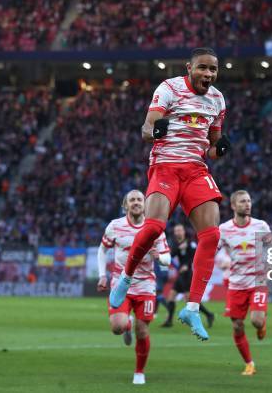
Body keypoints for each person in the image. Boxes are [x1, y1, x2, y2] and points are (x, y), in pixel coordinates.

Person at [109, 47, 231, 341]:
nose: (208, 74)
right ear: (189, 68)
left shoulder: (217, 100)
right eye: (203, 68)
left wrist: (220, 149)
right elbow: (146, 130)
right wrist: (156, 132)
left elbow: (211, 148)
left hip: (195, 170)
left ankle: (192, 307)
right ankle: (125, 278)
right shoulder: (169, 88)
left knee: (211, 236)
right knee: (153, 228)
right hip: (165, 166)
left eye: (213, 70)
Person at [97, 190, 171, 385]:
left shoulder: (155, 228)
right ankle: (126, 324)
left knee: (143, 331)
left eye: (140, 199)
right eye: (133, 200)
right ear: (126, 205)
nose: (137, 202)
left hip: (146, 286)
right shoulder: (115, 226)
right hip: (121, 284)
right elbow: (102, 249)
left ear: (145, 205)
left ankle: (139, 372)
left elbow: (166, 260)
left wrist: (160, 257)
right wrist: (102, 275)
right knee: (117, 327)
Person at [218, 190, 272, 376]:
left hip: (257, 280)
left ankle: (262, 324)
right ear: (234, 206)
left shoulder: (260, 225)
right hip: (236, 284)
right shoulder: (224, 229)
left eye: (249, 201)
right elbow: (213, 249)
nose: (248, 204)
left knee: (256, 321)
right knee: (237, 326)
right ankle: (249, 363)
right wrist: (220, 261)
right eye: (243, 202)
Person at [161, 223, 215, 328]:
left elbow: (195, 256)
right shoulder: (176, 244)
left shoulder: (191, 244)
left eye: (180, 230)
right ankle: (169, 320)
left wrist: (186, 265)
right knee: (171, 296)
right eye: (176, 230)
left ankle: (209, 314)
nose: (178, 232)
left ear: (184, 231)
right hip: (181, 274)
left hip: (188, 274)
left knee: (189, 300)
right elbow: (172, 255)